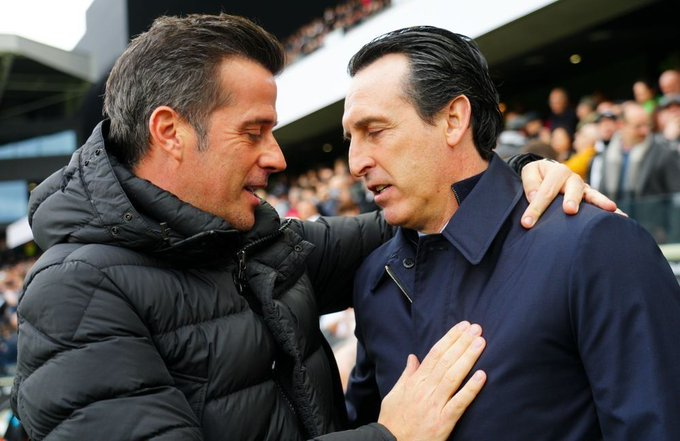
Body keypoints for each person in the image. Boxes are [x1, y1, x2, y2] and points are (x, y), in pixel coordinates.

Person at [11, 14, 610, 441]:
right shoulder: (74, 292)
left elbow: (421, 210)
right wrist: (390, 437)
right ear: (170, 132)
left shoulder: (254, 242)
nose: (276, 157)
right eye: (253, 132)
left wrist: (519, 172)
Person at [342, 26, 680, 440]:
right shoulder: (374, 280)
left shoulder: (594, 245)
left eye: (375, 131)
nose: (355, 163)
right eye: (350, 139)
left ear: (453, 120)